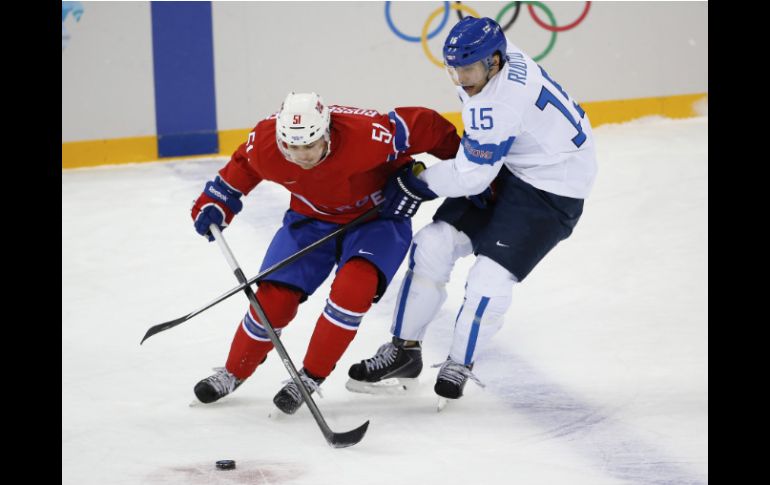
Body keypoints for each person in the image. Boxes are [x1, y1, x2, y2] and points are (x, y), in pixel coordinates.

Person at [347, 16, 598, 402]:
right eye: (455, 70)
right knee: (431, 244)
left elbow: (471, 178)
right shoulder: (494, 60)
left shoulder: (500, 101)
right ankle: (404, 350)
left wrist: (417, 183)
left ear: (494, 61)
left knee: (488, 281)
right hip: (512, 166)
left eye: (469, 69)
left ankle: (459, 363)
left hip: (553, 189)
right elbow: (477, 168)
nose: (462, 78)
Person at [190, 92, 460, 414]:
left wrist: (467, 165)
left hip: (376, 219)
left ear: (327, 133)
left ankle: (310, 377)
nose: (302, 155)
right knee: (273, 299)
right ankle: (233, 371)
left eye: (310, 145)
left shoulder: (367, 134)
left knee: (353, 288)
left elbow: (426, 126)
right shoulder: (265, 143)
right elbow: (243, 165)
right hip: (309, 219)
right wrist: (217, 200)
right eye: (293, 147)